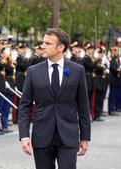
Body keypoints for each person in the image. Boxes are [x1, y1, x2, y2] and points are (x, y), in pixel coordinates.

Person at [18, 28, 91, 169]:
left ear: (61, 47)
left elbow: (83, 106)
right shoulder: (34, 71)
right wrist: (24, 135)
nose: (42, 46)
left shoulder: (77, 70)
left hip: (68, 136)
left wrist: (85, 137)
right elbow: (25, 105)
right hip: (42, 136)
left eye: (47, 43)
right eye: (42, 42)